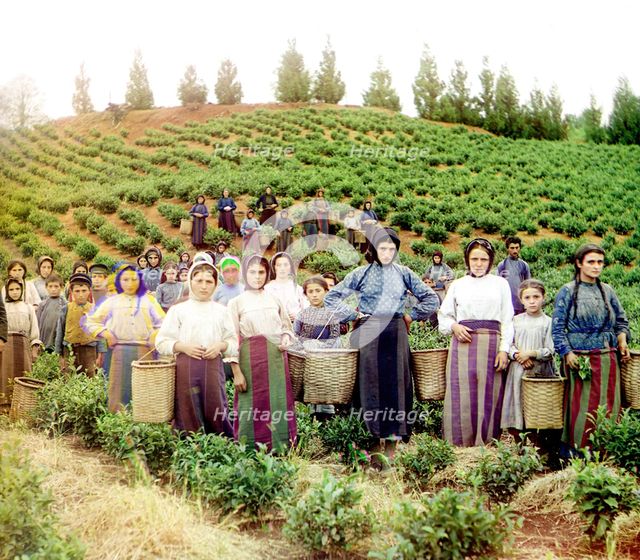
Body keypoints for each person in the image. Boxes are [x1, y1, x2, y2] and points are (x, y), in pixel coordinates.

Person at [324, 227, 439, 469]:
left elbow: (432, 299)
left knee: (396, 388)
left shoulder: (404, 273)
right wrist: (352, 314)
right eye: (382, 248)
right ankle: (372, 450)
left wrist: (411, 315)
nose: (386, 252)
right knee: (369, 387)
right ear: (373, 249)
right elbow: (331, 297)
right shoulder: (361, 274)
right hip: (368, 331)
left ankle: (392, 451)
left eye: (391, 248)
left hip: (395, 333)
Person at [552, 244, 631, 451]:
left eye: (600, 262)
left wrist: (622, 340)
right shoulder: (567, 291)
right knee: (582, 407)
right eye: (591, 262)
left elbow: (621, 321)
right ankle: (577, 454)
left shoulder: (608, 291)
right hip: (580, 360)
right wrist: (566, 352)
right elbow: (558, 327)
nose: (596, 267)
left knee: (609, 406)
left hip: (607, 358)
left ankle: (607, 452)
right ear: (579, 264)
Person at [438, 238, 514, 447]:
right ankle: (459, 444)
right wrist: (454, 327)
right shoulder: (458, 285)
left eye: (483, 259)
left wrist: (504, 350)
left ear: (490, 261)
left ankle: (487, 443)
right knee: (461, 393)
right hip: (463, 345)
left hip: (491, 346)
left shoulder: (500, 284)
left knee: (489, 393)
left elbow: (507, 320)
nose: (478, 263)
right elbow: (444, 316)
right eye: (474, 259)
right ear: (467, 260)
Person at [156, 256, 238, 434]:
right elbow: (161, 342)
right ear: (190, 281)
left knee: (216, 407)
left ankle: (219, 447)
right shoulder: (179, 310)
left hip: (213, 368)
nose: (204, 286)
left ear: (215, 284)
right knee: (187, 409)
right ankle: (189, 448)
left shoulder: (221, 311)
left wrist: (220, 346)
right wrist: (182, 347)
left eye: (209, 281)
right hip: (186, 368)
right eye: (199, 280)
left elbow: (233, 342)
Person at [227, 255, 297, 451]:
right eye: (252, 272)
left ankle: (282, 448)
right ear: (244, 274)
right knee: (250, 405)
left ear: (267, 274)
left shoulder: (274, 299)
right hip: (250, 361)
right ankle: (249, 450)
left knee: (278, 402)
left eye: (261, 272)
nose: (257, 277)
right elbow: (231, 339)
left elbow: (287, 328)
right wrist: (236, 372)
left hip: (276, 360)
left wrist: (285, 339)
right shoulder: (236, 302)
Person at [84, 265, 165, 411]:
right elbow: (90, 321)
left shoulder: (149, 301)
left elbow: (164, 323)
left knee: (143, 389)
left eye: (134, 279)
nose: (130, 283)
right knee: (118, 388)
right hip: (119, 351)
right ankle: (118, 423)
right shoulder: (112, 301)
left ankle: (144, 422)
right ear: (119, 281)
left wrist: (154, 334)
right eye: (125, 279)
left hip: (145, 352)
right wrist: (106, 334)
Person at [501, 279, 555, 433]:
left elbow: (551, 350)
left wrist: (530, 354)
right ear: (521, 300)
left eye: (536, 297)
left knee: (538, 410)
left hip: (540, 372)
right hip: (518, 371)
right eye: (527, 298)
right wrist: (518, 355)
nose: (532, 301)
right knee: (517, 405)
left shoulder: (548, 322)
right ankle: (519, 445)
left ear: (543, 297)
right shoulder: (515, 321)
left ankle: (539, 447)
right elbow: (508, 343)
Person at [0, 278, 41, 406]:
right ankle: (5, 405)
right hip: (7, 344)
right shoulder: (4, 307)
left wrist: (34, 347)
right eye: (11, 289)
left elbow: (34, 329)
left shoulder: (28, 307)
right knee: (6, 372)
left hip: (23, 344)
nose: (15, 292)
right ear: (7, 291)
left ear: (22, 290)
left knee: (24, 372)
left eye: (17, 289)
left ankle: (23, 404)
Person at [55, 273, 100, 377]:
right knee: (69, 376)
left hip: (89, 351)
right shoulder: (66, 309)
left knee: (89, 377)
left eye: (84, 291)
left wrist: (100, 354)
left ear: (89, 291)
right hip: (70, 350)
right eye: (77, 291)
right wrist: (59, 354)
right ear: (71, 292)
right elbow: (60, 331)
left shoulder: (95, 310)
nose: (81, 294)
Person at [264, 252, 308, 322]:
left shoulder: (297, 288)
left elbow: (307, 308)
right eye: (279, 265)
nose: (282, 268)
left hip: (295, 327)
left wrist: (298, 316)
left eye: (286, 265)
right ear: (274, 267)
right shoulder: (267, 289)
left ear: (290, 267)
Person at [497, 236, 531, 315]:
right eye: (512, 248)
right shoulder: (502, 265)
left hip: (520, 304)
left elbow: (528, 285)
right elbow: (498, 286)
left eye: (517, 247)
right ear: (507, 249)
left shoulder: (524, 265)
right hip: (507, 304)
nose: (515, 250)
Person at [35, 273, 66, 353]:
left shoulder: (64, 304)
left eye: (56, 286)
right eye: (50, 286)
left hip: (58, 341)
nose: (53, 289)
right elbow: (37, 323)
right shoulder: (42, 304)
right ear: (46, 287)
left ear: (61, 287)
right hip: (44, 339)